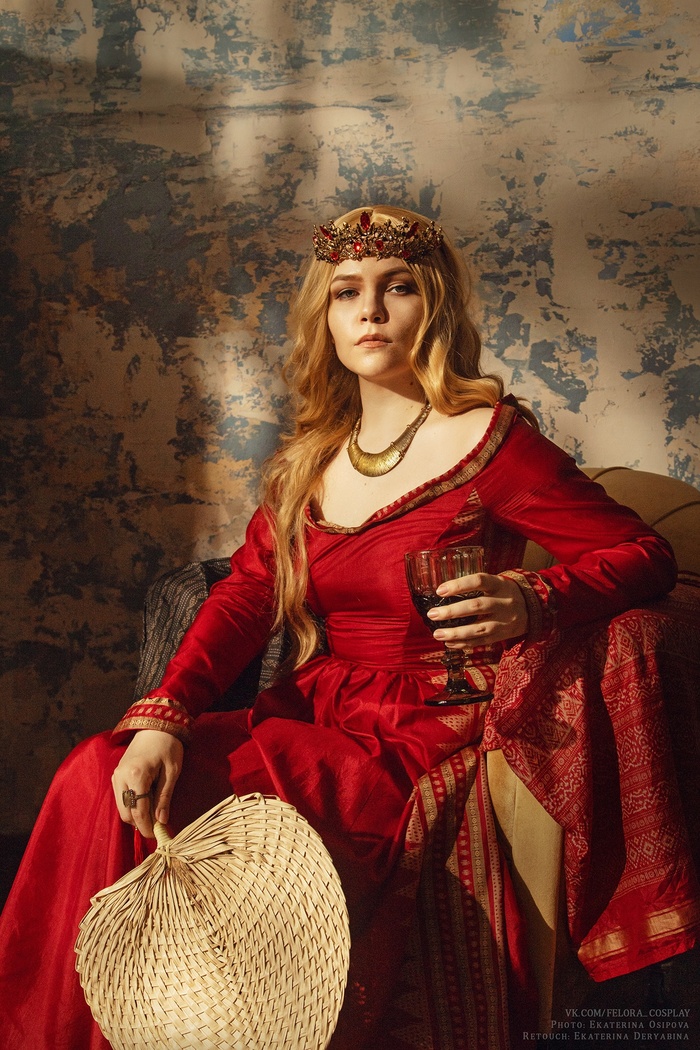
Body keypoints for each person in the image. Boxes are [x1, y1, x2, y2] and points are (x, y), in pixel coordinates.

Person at [1, 205, 698, 1050]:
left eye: (397, 287)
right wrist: (164, 714)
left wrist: (536, 598)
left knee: (228, 813)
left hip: (426, 726)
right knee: (99, 772)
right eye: (346, 292)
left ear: (433, 307)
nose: (370, 310)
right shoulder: (309, 460)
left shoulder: (493, 443)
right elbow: (247, 596)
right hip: (319, 710)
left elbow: (645, 555)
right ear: (324, 318)